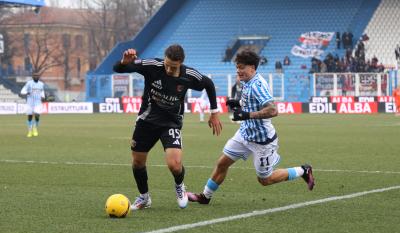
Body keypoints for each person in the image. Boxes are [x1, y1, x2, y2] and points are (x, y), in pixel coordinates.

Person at [187, 50, 314, 205]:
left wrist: (248, 115)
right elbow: (251, 102)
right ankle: (205, 197)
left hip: (262, 140)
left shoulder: (257, 86)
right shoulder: (248, 81)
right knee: (222, 163)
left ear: (252, 68)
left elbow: (273, 110)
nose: (238, 71)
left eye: (241, 67)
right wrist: (238, 103)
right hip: (244, 134)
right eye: (237, 68)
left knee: (265, 180)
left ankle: (303, 170)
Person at [113, 44, 222, 210]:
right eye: (167, 65)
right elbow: (119, 69)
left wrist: (214, 112)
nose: (169, 69)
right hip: (146, 121)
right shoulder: (152, 66)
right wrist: (123, 62)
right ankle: (144, 198)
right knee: (137, 162)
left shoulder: (189, 75)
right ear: (164, 59)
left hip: (171, 122)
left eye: (174, 67)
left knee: (175, 165)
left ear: (181, 63)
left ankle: (179, 187)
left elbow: (208, 84)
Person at [20, 72, 45, 137]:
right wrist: (26, 93)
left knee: (37, 115)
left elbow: (42, 91)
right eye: (35, 75)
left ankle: (35, 128)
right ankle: (30, 131)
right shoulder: (29, 83)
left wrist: (43, 96)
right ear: (32, 76)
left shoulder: (41, 84)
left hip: (38, 102)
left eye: (37, 75)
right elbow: (22, 91)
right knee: (30, 117)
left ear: (39, 77)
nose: (36, 76)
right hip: (30, 102)